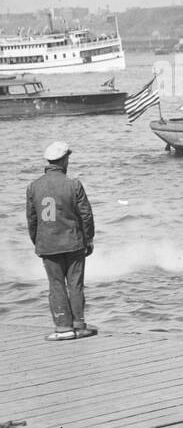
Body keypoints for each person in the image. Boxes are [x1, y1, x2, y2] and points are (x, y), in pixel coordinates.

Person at [25, 142, 96, 341]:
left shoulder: (33, 187)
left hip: (47, 244)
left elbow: (32, 220)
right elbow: (86, 216)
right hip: (74, 243)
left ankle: (63, 328)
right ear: (64, 160)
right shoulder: (74, 184)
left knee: (56, 285)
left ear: (49, 162)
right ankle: (79, 326)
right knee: (75, 284)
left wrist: (38, 242)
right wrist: (88, 239)